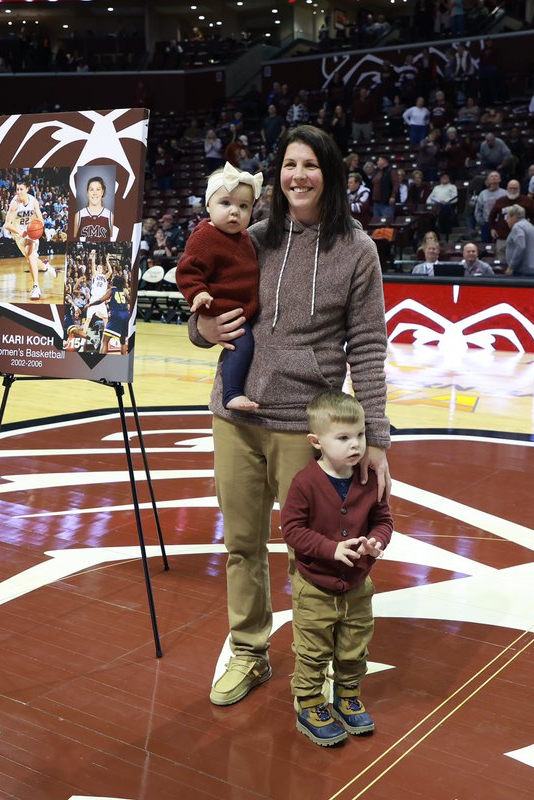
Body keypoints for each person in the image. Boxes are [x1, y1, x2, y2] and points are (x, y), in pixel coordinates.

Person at [190, 125, 391, 708]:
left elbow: (369, 345)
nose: (297, 175)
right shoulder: (249, 236)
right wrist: (200, 331)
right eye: (288, 164)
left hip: (305, 425)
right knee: (242, 545)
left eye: (310, 165)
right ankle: (250, 652)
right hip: (235, 416)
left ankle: (318, 659)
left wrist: (375, 436)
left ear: (330, 174)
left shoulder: (358, 250)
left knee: (317, 549)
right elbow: (206, 304)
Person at [282, 390, 392, 746]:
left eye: (359, 435)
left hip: (358, 585)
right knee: (312, 650)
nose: (355, 445)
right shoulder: (305, 482)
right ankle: (310, 702)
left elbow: (383, 520)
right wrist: (331, 549)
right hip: (314, 585)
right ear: (316, 441)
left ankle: (347, 694)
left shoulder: (369, 478)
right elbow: (292, 531)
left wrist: (376, 541)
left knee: (354, 645)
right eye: (343, 438)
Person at [176, 163, 264, 411]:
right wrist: (199, 293)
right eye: (225, 204)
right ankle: (232, 393)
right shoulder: (205, 236)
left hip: (240, 307)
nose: (235, 212)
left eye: (243, 206)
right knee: (242, 343)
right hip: (223, 308)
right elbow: (187, 271)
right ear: (208, 206)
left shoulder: (244, 236)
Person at [4, 180, 55, 301]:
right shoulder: (14, 203)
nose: (19, 192)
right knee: (29, 258)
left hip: (31, 233)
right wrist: (21, 233)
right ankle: (45, 267)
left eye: (21, 189)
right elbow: (7, 224)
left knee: (30, 255)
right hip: (19, 234)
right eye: (17, 189)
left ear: (27, 189)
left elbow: (41, 220)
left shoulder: (34, 201)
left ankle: (36, 287)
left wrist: (37, 230)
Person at [75, 176, 118, 243]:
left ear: (102, 192)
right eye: (91, 189)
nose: (94, 193)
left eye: (98, 189)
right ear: (87, 192)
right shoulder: (78, 215)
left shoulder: (110, 216)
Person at [502, 205, 534, 277]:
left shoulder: (517, 227)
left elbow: (521, 246)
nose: (507, 221)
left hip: (522, 271)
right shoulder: (530, 226)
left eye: (508, 217)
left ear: (514, 217)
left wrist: (511, 267)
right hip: (533, 269)